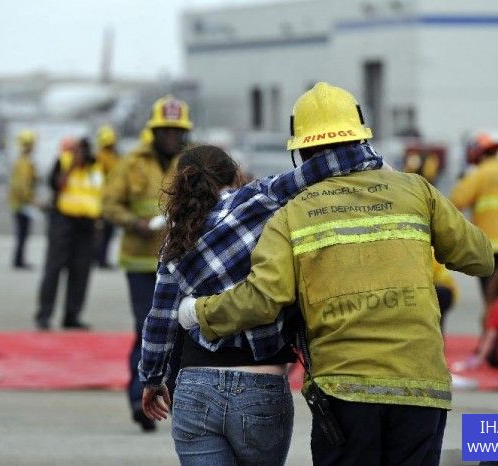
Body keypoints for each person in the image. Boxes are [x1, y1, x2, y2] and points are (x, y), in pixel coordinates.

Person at [178, 82, 494, 466]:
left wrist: (198, 312)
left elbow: (262, 300)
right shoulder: (415, 191)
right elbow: (480, 259)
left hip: (345, 391)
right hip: (420, 386)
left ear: (302, 151)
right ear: (361, 135)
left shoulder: (293, 214)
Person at [139, 141, 383, 464]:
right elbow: (319, 169)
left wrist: (152, 380)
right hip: (262, 384)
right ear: (235, 175)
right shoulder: (260, 198)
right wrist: (369, 156)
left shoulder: (176, 239)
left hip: (196, 387)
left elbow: (160, 321)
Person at [102, 95, 192, 431]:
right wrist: (133, 222)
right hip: (141, 262)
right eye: (165, 129)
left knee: (182, 333)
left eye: (176, 130)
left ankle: (177, 400)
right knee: (146, 330)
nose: (170, 135)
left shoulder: (191, 163)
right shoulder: (132, 162)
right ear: (153, 131)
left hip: (181, 263)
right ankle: (138, 399)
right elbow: (109, 204)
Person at [35, 138, 104, 330]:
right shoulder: (63, 161)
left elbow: (100, 194)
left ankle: (72, 316)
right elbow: (57, 185)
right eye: (78, 151)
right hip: (63, 221)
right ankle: (44, 314)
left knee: (81, 271)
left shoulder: (96, 168)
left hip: (87, 225)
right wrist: (72, 164)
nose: (82, 155)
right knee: (53, 269)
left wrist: (99, 223)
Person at [451, 133, 498, 312]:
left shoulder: (478, 175)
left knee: (490, 299)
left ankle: (492, 326)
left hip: (487, 247)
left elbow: (456, 201)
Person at [7, 130, 38, 269]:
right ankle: (19, 260)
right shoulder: (25, 163)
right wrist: (32, 199)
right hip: (22, 204)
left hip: (17, 202)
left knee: (21, 233)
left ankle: (19, 259)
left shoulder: (20, 161)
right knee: (23, 233)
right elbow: (24, 185)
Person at [94, 125, 122, 269]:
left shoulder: (114, 157)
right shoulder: (100, 158)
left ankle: (101, 259)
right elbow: (98, 181)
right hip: (102, 200)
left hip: (110, 199)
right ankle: (100, 259)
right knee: (102, 232)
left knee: (107, 231)